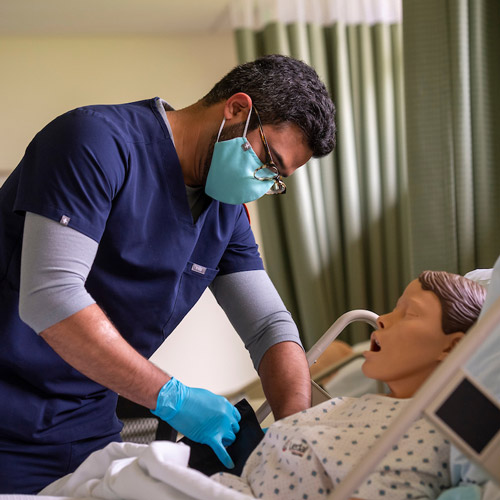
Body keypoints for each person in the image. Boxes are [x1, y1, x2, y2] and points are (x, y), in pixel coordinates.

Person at [0, 54, 336, 493]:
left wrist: (294, 434)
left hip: (84, 425)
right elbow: (51, 295)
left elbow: (270, 327)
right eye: (267, 158)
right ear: (236, 109)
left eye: (276, 178)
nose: (263, 180)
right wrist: (171, 398)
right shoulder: (94, 142)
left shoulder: (226, 216)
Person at [211, 271, 487, 499]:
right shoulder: (359, 407)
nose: (381, 318)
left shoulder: (428, 431)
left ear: (454, 346)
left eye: (409, 314)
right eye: (394, 309)